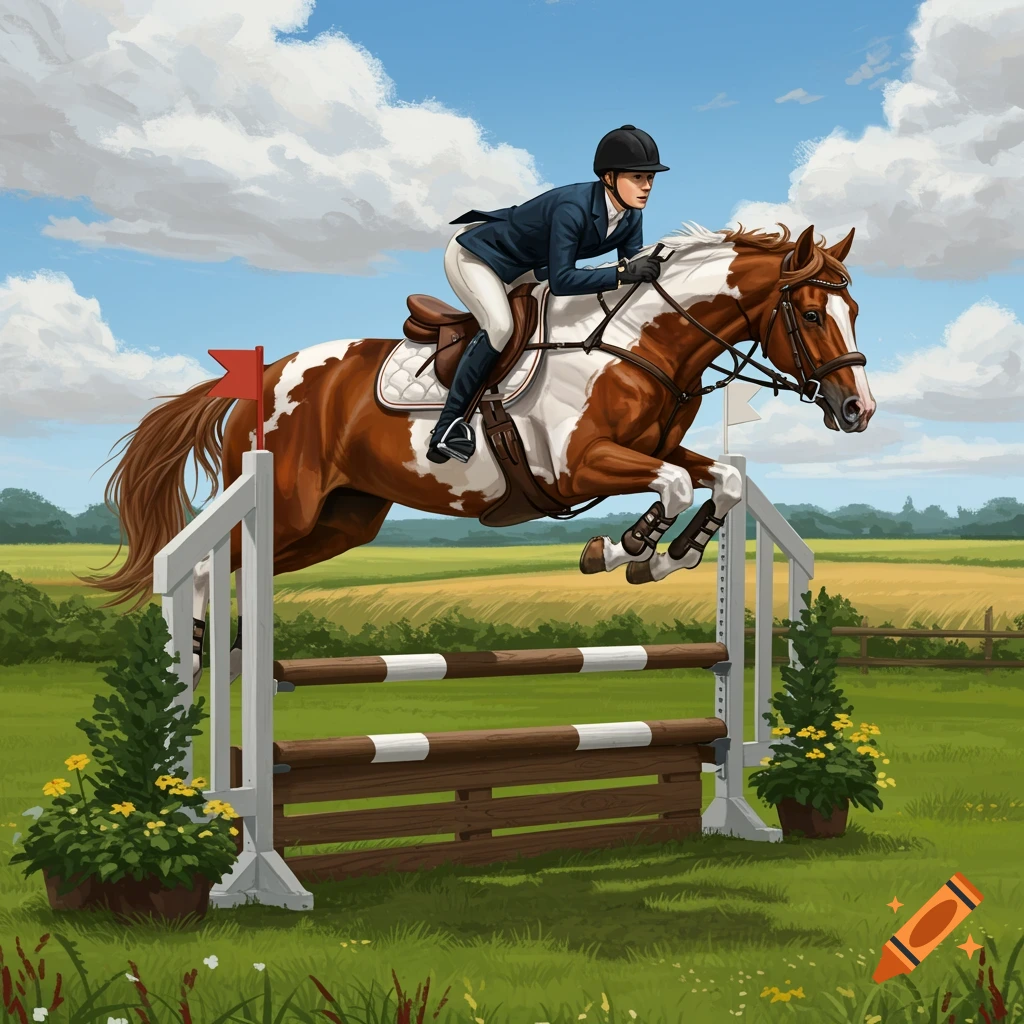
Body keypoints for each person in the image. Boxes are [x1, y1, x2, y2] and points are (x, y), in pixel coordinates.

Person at [427, 125, 670, 464]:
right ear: (610, 177)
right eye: (637, 178)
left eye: (650, 179)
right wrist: (619, 274)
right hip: (479, 256)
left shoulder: (631, 216)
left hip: (527, 264)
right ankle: (447, 426)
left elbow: (631, 270)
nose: (646, 187)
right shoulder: (573, 208)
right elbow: (563, 280)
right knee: (500, 327)